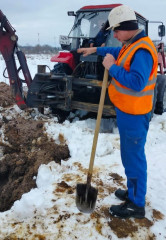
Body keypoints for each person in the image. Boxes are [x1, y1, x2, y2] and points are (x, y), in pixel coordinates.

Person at [77, 5, 158, 219]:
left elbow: (137, 82)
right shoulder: (131, 44)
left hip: (135, 114)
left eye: (116, 30)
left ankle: (136, 204)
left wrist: (112, 68)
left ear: (128, 27)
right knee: (128, 156)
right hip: (127, 112)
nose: (114, 35)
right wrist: (96, 50)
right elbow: (116, 53)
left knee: (133, 158)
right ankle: (132, 193)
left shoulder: (142, 50)